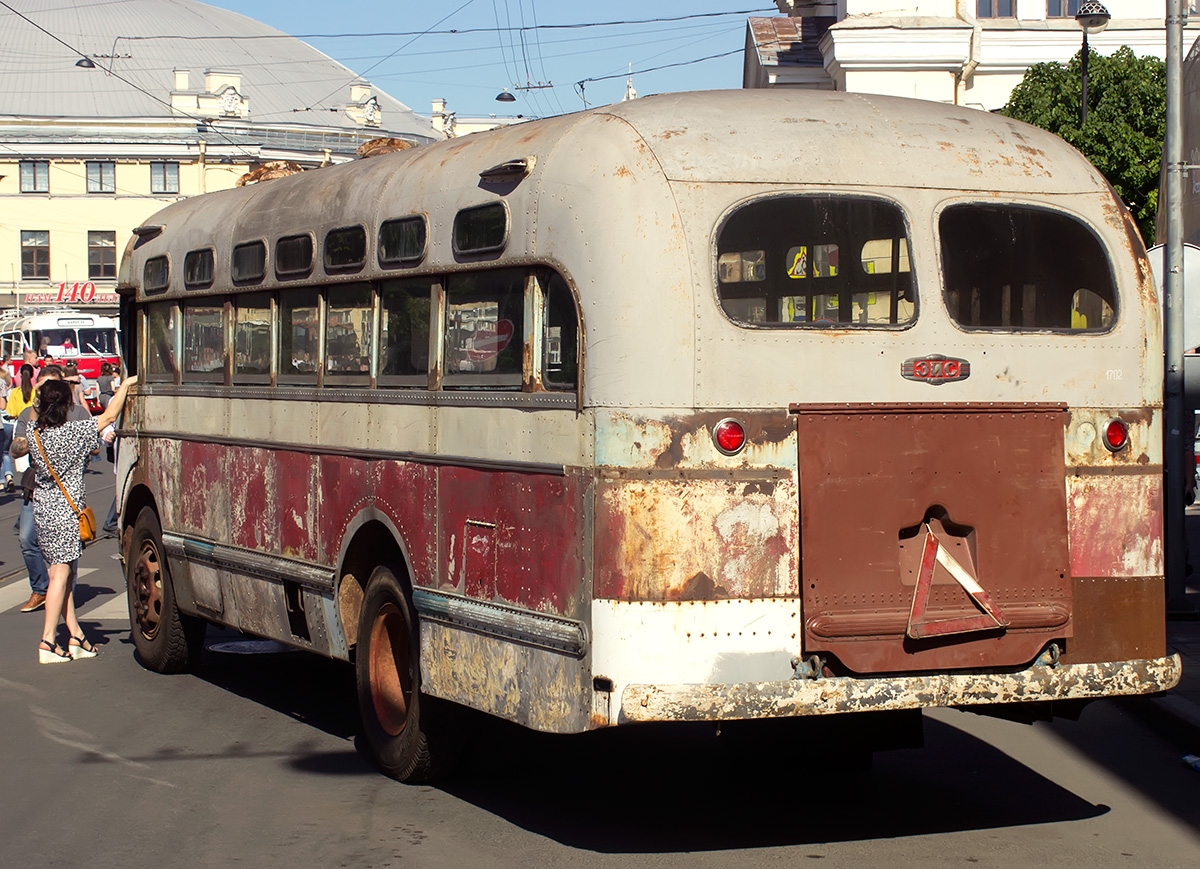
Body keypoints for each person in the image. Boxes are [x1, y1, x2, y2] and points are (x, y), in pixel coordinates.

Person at [23, 373, 137, 662]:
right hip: (65, 510)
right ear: (64, 405)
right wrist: (124, 385)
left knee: (63, 573)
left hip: (44, 508)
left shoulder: (36, 433)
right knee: (60, 576)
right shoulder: (70, 433)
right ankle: (48, 640)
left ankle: (75, 634)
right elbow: (110, 415)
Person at [9, 365, 88, 614]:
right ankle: (42, 588)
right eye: (41, 388)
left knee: (66, 553)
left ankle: (65, 598)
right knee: (27, 539)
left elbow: (93, 448)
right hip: (35, 485)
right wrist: (35, 414)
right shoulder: (28, 414)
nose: (45, 393)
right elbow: (16, 449)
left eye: (50, 387)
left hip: (66, 490)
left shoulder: (77, 413)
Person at [3, 363, 38, 494]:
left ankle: (26, 484)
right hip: (36, 424)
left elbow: (10, 411)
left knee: (22, 458)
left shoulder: (15, 392)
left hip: (20, 424)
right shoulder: (35, 392)